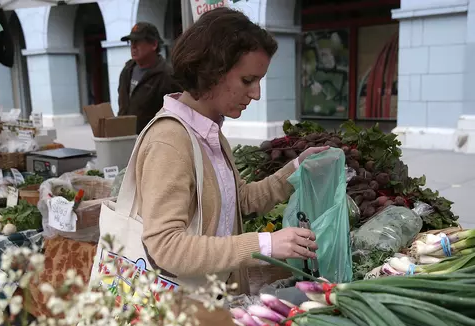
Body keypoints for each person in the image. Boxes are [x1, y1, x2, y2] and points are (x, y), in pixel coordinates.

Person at [134, 8, 328, 294]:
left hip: (219, 303)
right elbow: (165, 246)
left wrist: (296, 169)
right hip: (188, 315)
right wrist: (264, 244)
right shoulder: (170, 142)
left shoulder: (209, 132)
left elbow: (241, 200)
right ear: (210, 72)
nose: (256, 93)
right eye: (248, 80)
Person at [118, 22, 181, 134]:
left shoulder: (167, 75)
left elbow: (178, 113)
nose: (133, 46)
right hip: (126, 140)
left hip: (154, 142)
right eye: (131, 42)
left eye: (137, 42)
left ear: (154, 45)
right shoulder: (127, 70)